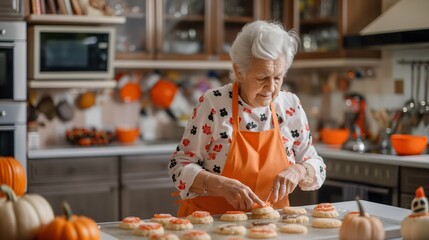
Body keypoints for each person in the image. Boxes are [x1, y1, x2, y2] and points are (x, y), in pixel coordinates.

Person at [168, 20, 326, 216]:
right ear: (238, 72)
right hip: (210, 226)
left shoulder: (290, 106)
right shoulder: (214, 104)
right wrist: (221, 186)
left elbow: (316, 164)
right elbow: (179, 166)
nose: (271, 88)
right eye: (262, 78)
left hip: (271, 228)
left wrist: (300, 170)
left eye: (278, 77)